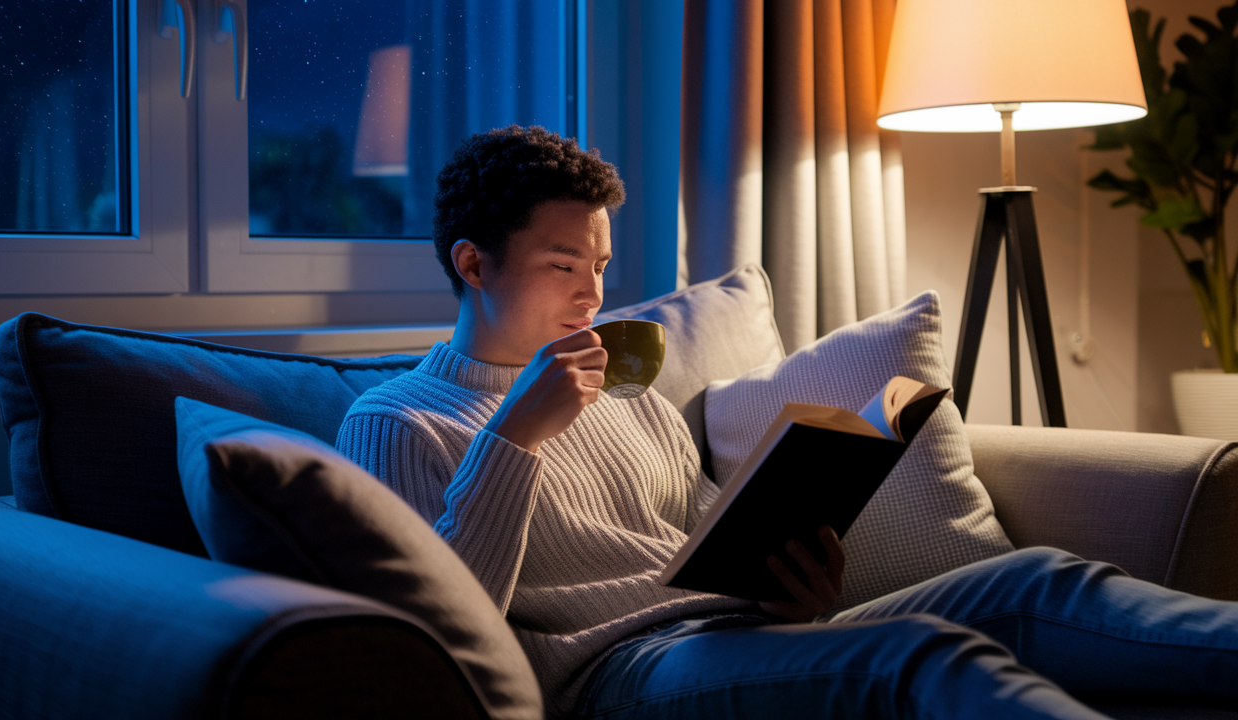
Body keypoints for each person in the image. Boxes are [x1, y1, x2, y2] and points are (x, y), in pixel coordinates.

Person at [337, 125, 1238, 719]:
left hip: (737, 634)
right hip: (621, 680)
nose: (595, 293)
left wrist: (788, 592)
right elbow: (447, 631)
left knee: (1037, 580)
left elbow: (695, 544)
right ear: (475, 264)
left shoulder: (626, 391)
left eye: (602, 264)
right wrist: (515, 435)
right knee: (920, 657)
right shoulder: (394, 422)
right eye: (564, 263)